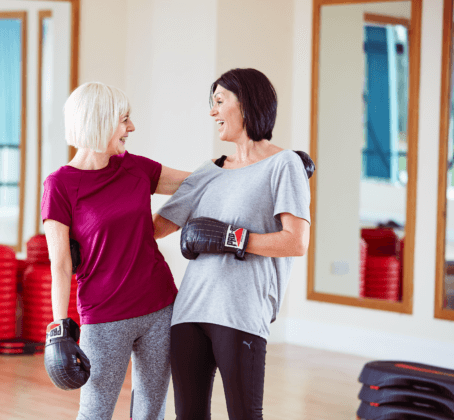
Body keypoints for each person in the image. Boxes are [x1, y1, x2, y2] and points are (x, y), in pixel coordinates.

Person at [153, 68, 312, 420]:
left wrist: (232, 238)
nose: (212, 112)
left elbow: (296, 242)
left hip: (240, 311)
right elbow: (156, 228)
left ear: (248, 104)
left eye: (220, 102)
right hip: (190, 310)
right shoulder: (209, 171)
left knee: (244, 414)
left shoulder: (284, 164)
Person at [41, 81, 190, 420]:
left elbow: (199, 183)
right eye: (124, 120)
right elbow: (61, 265)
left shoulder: (136, 168)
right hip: (105, 315)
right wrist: (59, 326)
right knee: (95, 411)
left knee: (151, 410)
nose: (132, 128)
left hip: (161, 305)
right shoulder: (60, 185)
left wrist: (262, 165)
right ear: (100, 122)